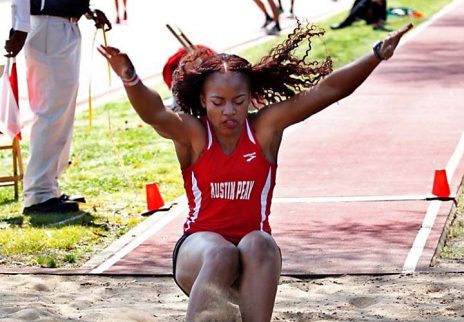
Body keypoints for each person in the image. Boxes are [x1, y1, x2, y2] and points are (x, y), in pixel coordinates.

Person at [98, 22, 412, 321]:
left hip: (253, 264)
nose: (229, 111)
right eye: (218, 102)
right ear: (203, 101)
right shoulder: (194, 134)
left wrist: (375, 55)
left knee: (260, 242)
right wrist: (130, 77)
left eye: (238, 101)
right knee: (221, 252)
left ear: (251, 99)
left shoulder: (264, 129)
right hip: (200, 255)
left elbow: (326, 91)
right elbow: (154, 112)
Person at [4, 0, 111, 215]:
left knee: (62, 111)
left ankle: (49, 188)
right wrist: (21, 26)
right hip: (48, 27)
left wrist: (85, 9)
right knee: (51, 112)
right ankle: (39, 194)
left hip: (63, 25)